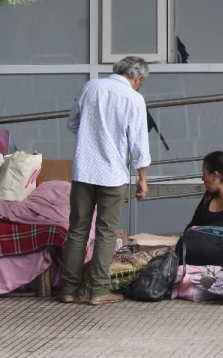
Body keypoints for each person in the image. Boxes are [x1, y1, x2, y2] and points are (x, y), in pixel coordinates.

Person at [59, 57, 152, 305]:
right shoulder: (134, 99)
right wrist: (142, 180)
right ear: (138, 78)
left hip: (84, 171)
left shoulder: (91, 87)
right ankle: (98, 291)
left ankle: (68, 289)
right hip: (113, 175)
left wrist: (93, 135)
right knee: (105, 232)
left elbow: (72, 123)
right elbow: (139, 145)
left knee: (78, 229)